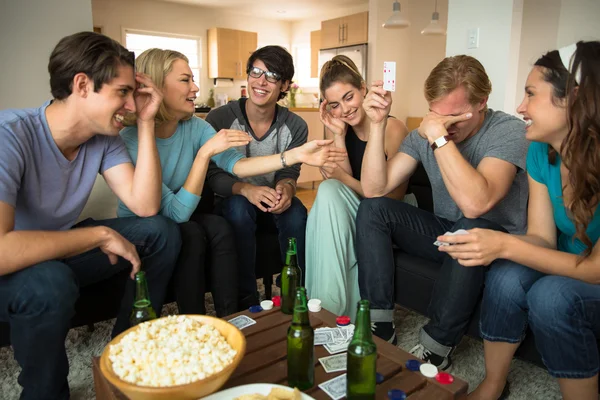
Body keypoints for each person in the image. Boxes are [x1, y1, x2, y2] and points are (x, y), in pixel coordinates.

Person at [0, 32, 182, 399]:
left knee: (161, 231)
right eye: (122, 92)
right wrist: (98, 236)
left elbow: (146, 207)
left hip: (59, 253)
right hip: (13, 269)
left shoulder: (103, 138)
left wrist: (146, 122)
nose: (131, 105)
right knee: (49, 280)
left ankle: (125, 355)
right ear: (82, 85)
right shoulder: (10, 135)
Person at [119, 48, 346, 314]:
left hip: (186, 214)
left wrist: (295, 158)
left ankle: (245, 313)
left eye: (271, 76)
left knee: (237, 223)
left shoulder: (196, 127)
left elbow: (237, 164)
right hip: (153, 220)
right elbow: (177, 211)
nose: (195, 88)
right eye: (186, 80)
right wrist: (213, 162)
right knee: (207, 223)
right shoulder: (131, 140)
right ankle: (231, 307)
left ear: (284, 85)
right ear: (156, 87)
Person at [356, 55, 529, 370]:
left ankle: (435, 348)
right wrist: (378, 123)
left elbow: (477, 204)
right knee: (373, 209)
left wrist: (438, 137)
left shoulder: (507, 131)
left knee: (471, 222)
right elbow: (374, 189)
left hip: (496, 246)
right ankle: (379, 325)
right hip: (449, 234)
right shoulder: (426, 131)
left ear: (481, 103)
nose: (443, 125)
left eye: (454, 117)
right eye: (435, 115)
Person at [459, 41, 600, 400]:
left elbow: (595, 271)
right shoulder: (541, 150)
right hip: (568, 263)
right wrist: (490, 245)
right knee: (506, 274)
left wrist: (505, 243)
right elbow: (541, 238)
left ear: (574, 98)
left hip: (590, 274)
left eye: (530, 94)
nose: (520, 107)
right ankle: (492, 385)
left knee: (551, 296)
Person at [305, 55, 415, 321]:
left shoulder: (393, 128)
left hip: (393, 214)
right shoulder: (344, 128)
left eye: (348, 97)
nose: (344, 109)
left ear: (364, 89)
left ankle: (324, 310)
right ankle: (337, 314)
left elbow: (388, 199)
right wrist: (338, 135)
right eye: (334, 105)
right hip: (359, 209)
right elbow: (344, 191)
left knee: (331, 189)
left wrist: (340, 179)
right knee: (329, 191)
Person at [206, 46, 312, 309]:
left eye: (272, 75)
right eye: (256, 72)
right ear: (248, 75)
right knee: (239, 208)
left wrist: (286, 188)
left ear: (285, 85)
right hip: (233, 202)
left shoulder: (296, 125)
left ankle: (294, 292)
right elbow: (211, 175)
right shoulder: (220, 118)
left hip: (273, 202)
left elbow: (290, 172)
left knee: (297, 211)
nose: (261, 82)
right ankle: (245, 300)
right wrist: (244, 189)